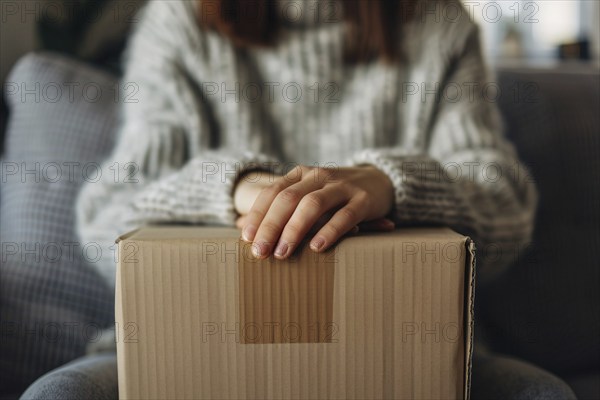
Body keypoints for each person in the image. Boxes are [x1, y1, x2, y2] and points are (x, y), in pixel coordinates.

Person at [21, 0, 576, 399]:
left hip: (410, 348)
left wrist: (390, 182)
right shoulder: (179, 21)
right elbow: (106, 217)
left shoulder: (439, 23)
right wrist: (235, 185)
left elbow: (505, 205)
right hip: (182, 345)